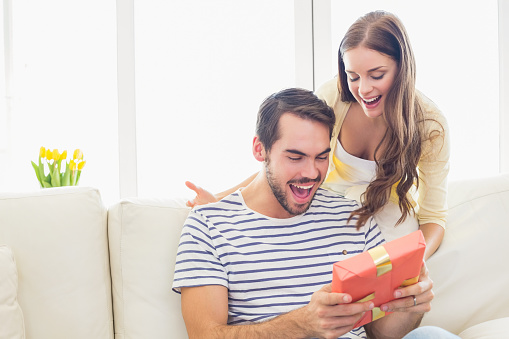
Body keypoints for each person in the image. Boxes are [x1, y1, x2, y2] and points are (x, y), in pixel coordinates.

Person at [173, 88, 456, 339]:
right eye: (295, 157)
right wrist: (303, 324)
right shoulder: (208, 225)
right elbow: (204, 334)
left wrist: (410, 305)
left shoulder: (353, 217)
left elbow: (381, 333)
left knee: (431, 334)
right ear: (260, 150)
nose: (310, 173)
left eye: (321, 157)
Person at [185, 11, 450, 260]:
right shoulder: (334, 97)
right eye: (353, 76)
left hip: (387, 219)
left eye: (376, 75)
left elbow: (434, 216)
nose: (364, 89)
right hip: (328, 207)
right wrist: (221, 200)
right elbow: (285, 159)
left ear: (402, 69)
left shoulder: (430, 124)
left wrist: (414, 260)